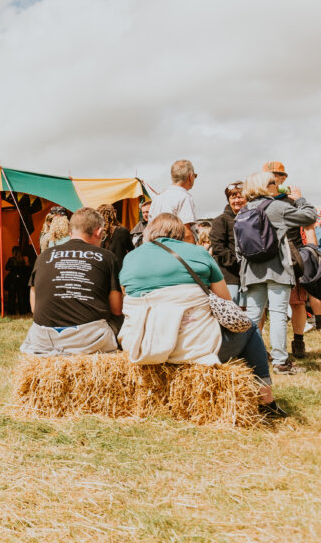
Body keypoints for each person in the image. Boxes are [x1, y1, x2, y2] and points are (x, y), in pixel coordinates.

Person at [118, 213, 284, 416]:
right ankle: (266, 400)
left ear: (148, 232)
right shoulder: (198, 252)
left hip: (143, 346)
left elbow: (126, 296)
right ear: (181, 233)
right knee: (250, 328)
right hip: (195, 347)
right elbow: (224, 300)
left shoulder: (130, 258)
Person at [239, 171, 317, 375]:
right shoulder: (277, 207)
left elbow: (240, 248)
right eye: (274, 182)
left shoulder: (243, 210)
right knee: (278, 314)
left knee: (254, 315)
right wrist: (299, 197)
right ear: (267, 186)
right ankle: (281, 362)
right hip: (277, 269)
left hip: (251, 271)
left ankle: (247, 359)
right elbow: (310, 216)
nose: (278, 186)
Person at [20, 208, 122, 356]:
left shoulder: (44, 256)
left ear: (70, 232)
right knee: (123, 319)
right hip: (88, 340)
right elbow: (117, 309)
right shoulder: (107, 257)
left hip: (43, 339)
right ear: (99, 232)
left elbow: (35, 308)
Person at [264, 161, 314, 358]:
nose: (273, 179)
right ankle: (263, 346)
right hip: (268, 257)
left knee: (297, 302)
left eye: (277, 175)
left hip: (292, 256)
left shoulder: (291, 202)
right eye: (270, 176)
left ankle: (299, 340)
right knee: (266, 306)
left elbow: (309, 220)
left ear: (283, 179)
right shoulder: (259, 202)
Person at [209, 182, 246, 302]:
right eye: (233, 197)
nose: (237, 200)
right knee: (231, 309)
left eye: (240, 196)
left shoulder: (253, 218)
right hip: (229, 276)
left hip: (250, 275)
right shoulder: (221, 221)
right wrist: (237, 263)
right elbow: (218, 247)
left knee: (251, 312)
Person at [148, 160, 197, 236]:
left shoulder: (157, 198)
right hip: (176, 246)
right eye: (195, 176)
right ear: (190, 177)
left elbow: (149, 229)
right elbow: (186, 233)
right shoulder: (184, 197)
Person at [4, 246, 32, 315]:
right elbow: (27, 269)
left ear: (13, 252)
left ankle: (11, 311)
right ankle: (22, 311)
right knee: (21, 297)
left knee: (12, 296)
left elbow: (7, 268)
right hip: (21, 280)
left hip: (13, 279)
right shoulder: (23, 259)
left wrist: (12, 268)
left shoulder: (11, 259)